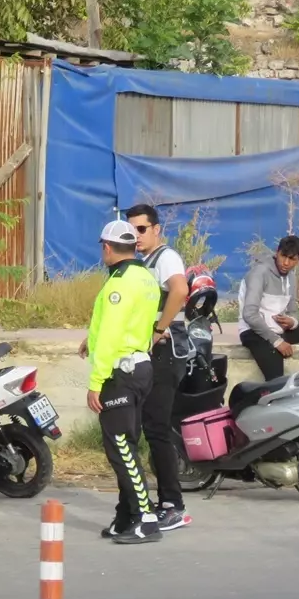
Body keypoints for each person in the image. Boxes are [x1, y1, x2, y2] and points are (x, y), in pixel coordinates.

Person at [81, 222, 162, 545]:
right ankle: (126, 515)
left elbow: (113, 333)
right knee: (125, 444)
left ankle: (146, 516)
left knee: (121, 448)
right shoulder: (145, 277)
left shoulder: (119, 284)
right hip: (140, 367)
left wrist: (96, 381)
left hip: (120, 372)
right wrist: (90, 339)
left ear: (107, 247)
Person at [123, 204, 190, 532]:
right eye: (131, 229)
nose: (135, 235)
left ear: (156, 229)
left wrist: (160, 328)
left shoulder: (165, 257)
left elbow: (180, 290)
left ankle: (172, 504)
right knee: (148, 427)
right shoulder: (141, 262)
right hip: (149, 352)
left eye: (141, 229)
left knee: (157, 428)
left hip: (167, 351)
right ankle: (156, 499)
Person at [238, 236, 299, 381]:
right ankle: (269, 399)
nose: (286, 263)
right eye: (283, 256)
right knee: (276, 378)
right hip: (253, 332)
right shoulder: (259, 273)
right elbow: (249, 314)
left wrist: (291, 322)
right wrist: (277, 341)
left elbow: (294, 311)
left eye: (292, 259)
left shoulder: (291, 278)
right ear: (277, 252)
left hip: (278, 329)